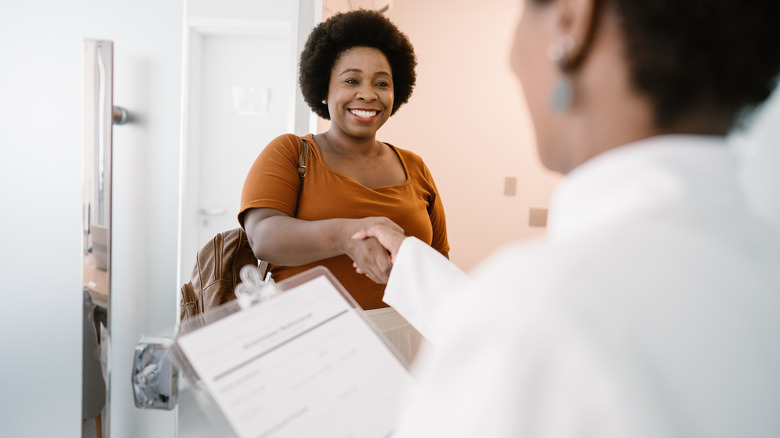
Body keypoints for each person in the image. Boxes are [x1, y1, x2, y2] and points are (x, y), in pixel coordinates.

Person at [351, 0, 780, 436]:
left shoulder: (532, 321)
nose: (513, 59)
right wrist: (409, 260)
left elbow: (535, 329)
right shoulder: (762, 262)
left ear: (572, 19)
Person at [239, 10, 449, 363]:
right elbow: (263, 237)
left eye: (382, 83)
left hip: (406, 348)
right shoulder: (291, 153)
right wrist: (347, 237)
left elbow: (438, 261)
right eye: (352, 81)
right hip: (310, 346)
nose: (368, 94)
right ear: (324, 88)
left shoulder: (415, 168)